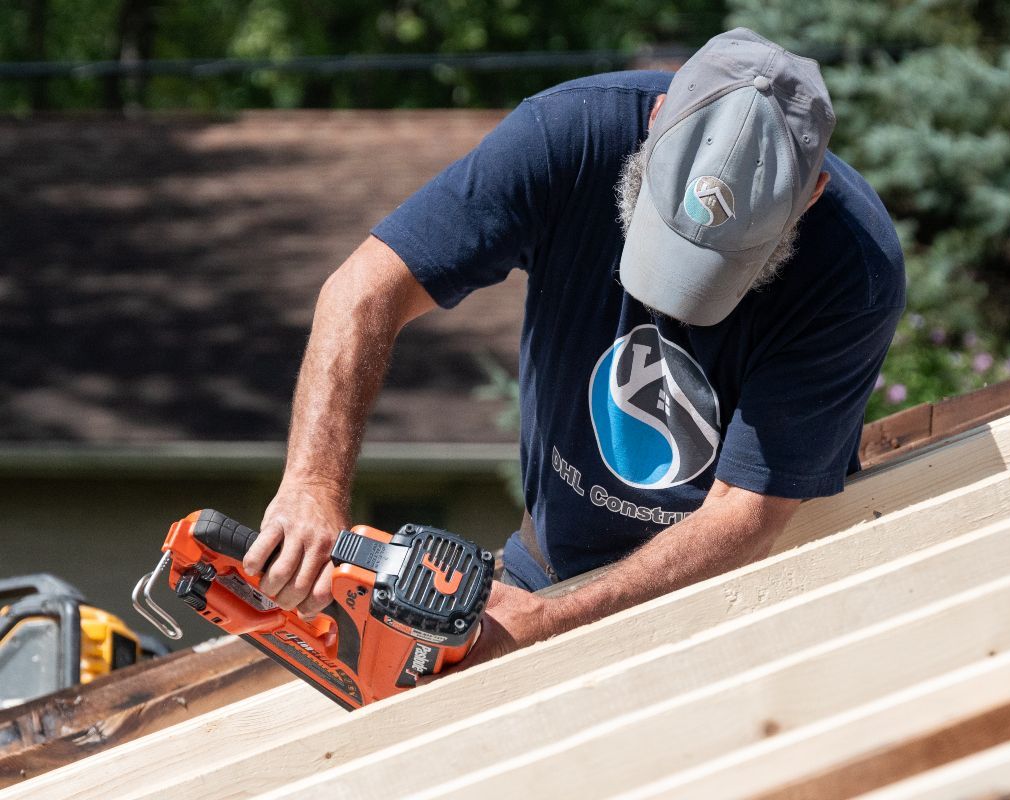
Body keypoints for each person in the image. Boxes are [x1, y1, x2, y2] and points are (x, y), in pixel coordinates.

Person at [242, 28, 905, 668]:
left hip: (742, 599)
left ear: (811, 194)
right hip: (547, 570)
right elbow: (364, 288)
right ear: (657, 117)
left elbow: (746, 514)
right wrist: (312, 485)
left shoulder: (855, 269)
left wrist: (555, 626)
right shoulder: (570, 136)